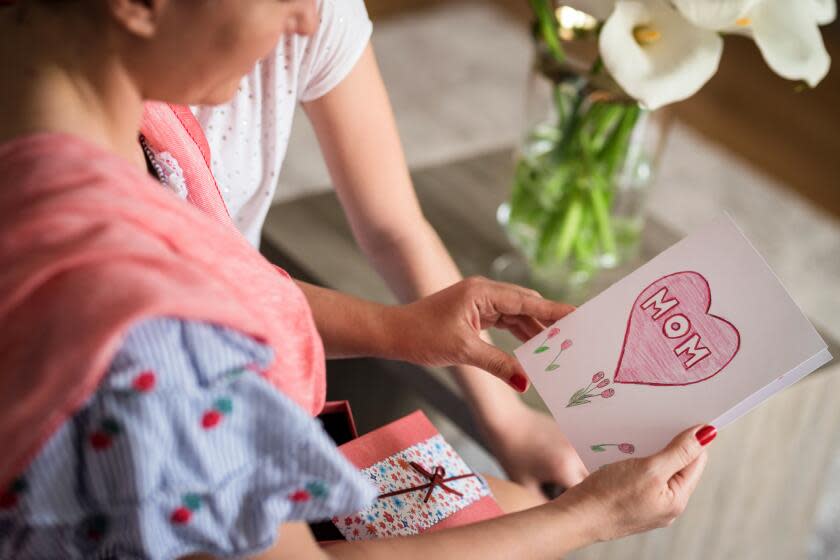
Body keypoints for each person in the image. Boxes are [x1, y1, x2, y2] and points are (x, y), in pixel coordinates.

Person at [0, 1, 713, 559]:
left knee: (509, 508)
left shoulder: (105, 125)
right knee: (529, 524)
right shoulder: (156, 337)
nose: (310, 16)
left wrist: (402, 329)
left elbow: (214, 276)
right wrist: (593, 517)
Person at [192, 0, 590, 493]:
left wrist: (509, 420)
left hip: (248, 351)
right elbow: (190, 293)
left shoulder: (314, 12)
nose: (312, 17)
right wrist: (397, 331)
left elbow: (395, 227)